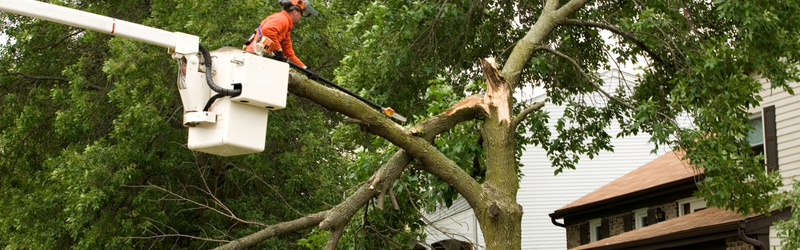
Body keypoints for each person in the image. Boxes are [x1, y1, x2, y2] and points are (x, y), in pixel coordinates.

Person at [244, 0, 318, 70]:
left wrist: (305, 68)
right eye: (301, 13)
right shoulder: (282, 18)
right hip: (254, 57)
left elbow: (289, 54)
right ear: (295, 12)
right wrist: (279, 50)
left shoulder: (286, 28)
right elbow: (268, 30)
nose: (301, 17)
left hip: (259, 59)